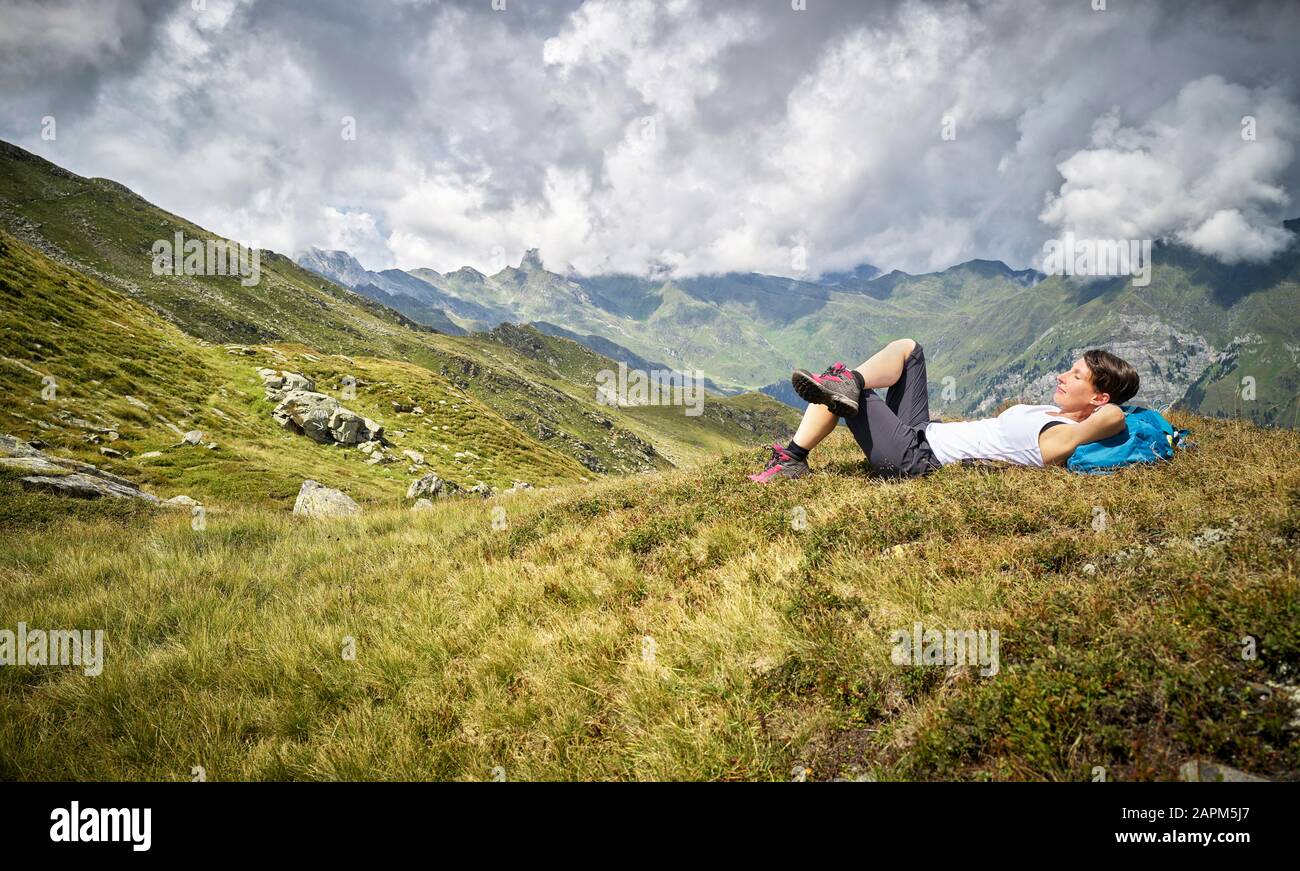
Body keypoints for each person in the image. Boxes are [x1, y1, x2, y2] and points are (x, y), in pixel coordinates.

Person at [749, 339, 1139, 482]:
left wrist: (1104, 414)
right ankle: (848, 381)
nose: (1061, 377)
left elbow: (1115, 418)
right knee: (908, 349)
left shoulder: (1057, 436)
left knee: (846, 400)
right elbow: (1106, 414)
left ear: (1099, 398)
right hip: (922, 432)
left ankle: (793, 459)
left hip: (916, 458)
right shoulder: (1052, 412)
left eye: (1075, 376)